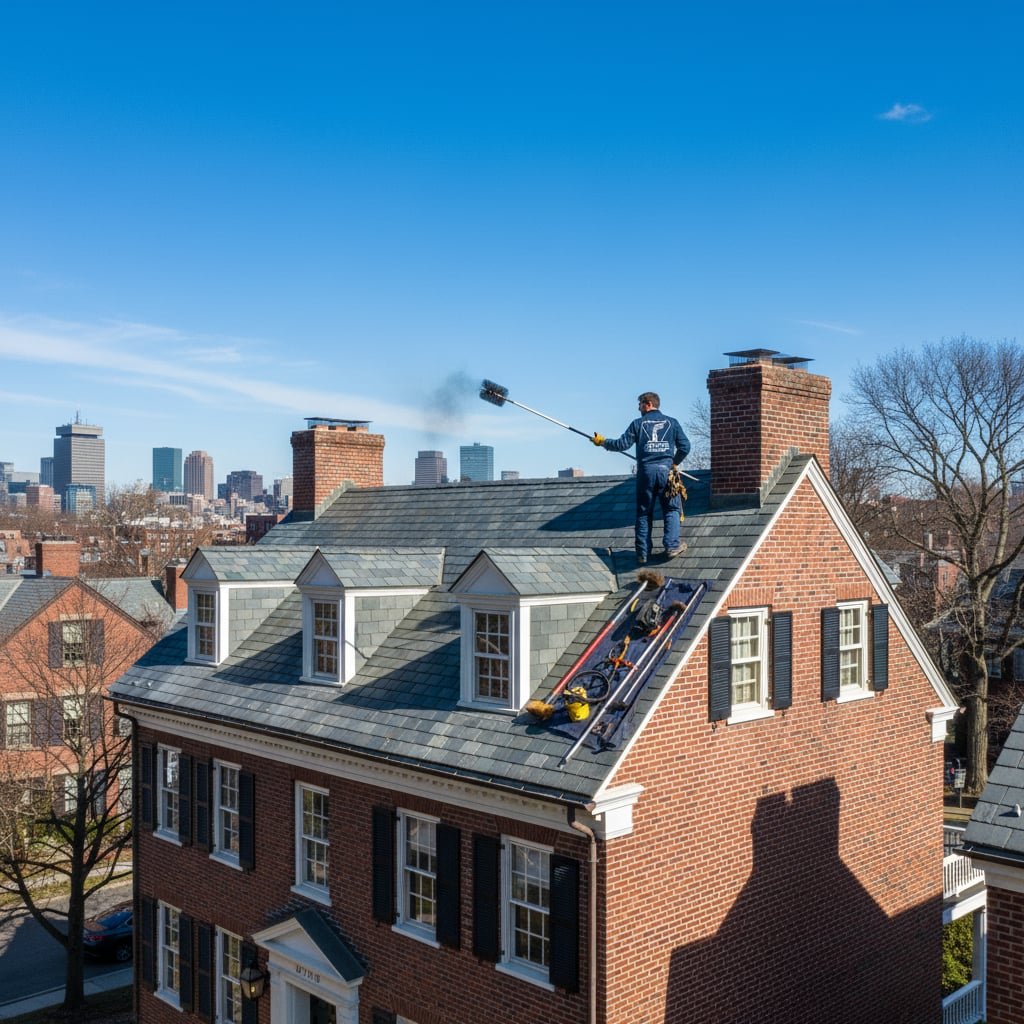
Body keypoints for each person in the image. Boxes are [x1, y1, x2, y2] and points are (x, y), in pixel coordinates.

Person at [593, 392, 690, 565]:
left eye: (640, 404)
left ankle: (643, 554)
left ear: (648, 404)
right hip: (666, 472)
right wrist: (673, 463)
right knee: (671, 509)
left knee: (644, 512)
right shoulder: (672, 423)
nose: (638, 408)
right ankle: (672, 546)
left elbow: (621, 444)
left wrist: (603, 442)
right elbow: (685, 447)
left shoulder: (638, 424)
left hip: (646, 472)